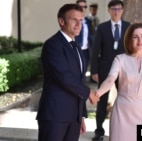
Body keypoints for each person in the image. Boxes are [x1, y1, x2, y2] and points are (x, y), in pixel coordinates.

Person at [36, 3, 99, 141]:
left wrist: (81, 115)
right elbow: (64, 77)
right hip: (55, 115)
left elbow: (79, 80)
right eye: (74, 20)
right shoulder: (52, 45)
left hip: (73, 117)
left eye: (81, 20)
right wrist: (89, 93)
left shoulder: (76, 46)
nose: (78, 24)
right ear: (61, 21)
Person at [95, 22, 142, 141]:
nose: (140, 40)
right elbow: (110, 79)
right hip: (122, 112)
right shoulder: (120, 59)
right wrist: (98, 93)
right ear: (129, 39)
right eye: (135, 37)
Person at [90, 0, 130, 140]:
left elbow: (131, 50)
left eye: (119, 9)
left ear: (122, 11)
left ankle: (124, 130)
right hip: (104, 69)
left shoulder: (128, 27)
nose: (116, 11)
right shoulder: (102, 27)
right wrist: (94, 70)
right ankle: (99, 131)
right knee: (102, 100)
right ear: (109, 10)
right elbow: (95, 50)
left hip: (123, 69)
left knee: (124, 99)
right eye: (113, 9)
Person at [75, 0, 93, 74]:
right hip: (75, 50)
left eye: (85, 6)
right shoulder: (71, 20)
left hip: (86, 52)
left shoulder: (88, 21)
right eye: (80, 7)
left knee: (83, 73)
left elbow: (91, 36)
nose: (83, 8)